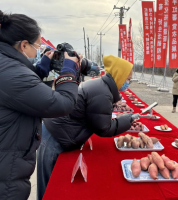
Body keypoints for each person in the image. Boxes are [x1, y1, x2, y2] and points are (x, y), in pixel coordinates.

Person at [0, 11, 81, 200]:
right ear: (24, 45)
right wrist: (69, 71)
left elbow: (21, 91)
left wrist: (40, 69)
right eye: (37, 46)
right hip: (6, 172)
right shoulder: (12, 73)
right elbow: (63, 104)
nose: (37, 52)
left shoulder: (7, 65)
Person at [37, 55, 137, 200]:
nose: (128, 83)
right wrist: (127, 120)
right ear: (119, 76)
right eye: (127, 79)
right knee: (49, 187)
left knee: (52, 183)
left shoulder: (102, 87)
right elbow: (104, 128)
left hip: (57, 131)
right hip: (55, 136)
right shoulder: (102, 92)